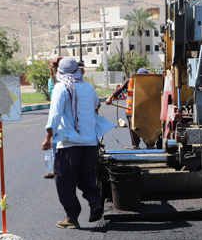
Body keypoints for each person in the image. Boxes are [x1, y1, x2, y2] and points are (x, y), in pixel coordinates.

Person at [41, 57, 103, 229]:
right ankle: (94, 202)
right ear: (78, 70)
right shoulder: (88, 87)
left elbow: (54, 115)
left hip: (69, 143)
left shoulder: (61, 87)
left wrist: (48, 138)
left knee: (64, 180)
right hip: (90, 143)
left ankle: (71, 217)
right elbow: (97, 104)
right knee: (87, 177)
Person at [105, 68, 149, 149]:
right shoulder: (130, 81)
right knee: (133, 130)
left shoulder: (149, 82)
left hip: (145, 111)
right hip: (131, 110)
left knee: (146, 128)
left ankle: (150, 144)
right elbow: (119, 90)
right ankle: (135, 146)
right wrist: (110, 97)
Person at [43, 56, 62, 179]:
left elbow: (51, 92)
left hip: (61, 127)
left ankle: (58, 172)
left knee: (56, 149)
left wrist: (47, 138)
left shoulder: (59, 87)